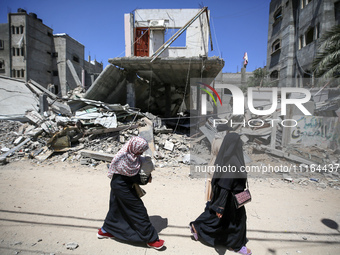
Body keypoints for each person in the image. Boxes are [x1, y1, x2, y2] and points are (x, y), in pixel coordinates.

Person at [97, 136, 165, 250]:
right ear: (135, 147)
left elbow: (133, 174)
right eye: (140, 150)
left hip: (118, 185)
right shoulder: (124, 159)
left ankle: (105, 230)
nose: (141, 153)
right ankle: (151, 239)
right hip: (121, 187)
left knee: (116, 208)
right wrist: (145, 178)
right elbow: (133, 177)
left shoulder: (131, 155)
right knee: (138, 211)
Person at [190, 132, 252, 255]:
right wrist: (220, 206)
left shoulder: (228, 158)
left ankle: (197, 226)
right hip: (229, 198)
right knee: (237, 221)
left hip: (231, 197)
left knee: (219, 218)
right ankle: (237, 246)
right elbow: (225, 186)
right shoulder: (232, 162)